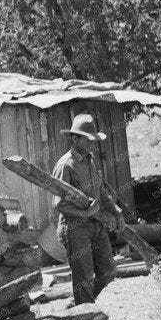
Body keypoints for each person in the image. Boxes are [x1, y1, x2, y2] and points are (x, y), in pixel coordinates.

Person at [51, 114, 119, 305]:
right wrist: (84, 213)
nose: (92, 144)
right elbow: (58, 204)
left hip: (96, 225)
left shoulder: (90, 161)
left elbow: (101, 191)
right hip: (74, 229)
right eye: (88, 139)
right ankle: (86, 316)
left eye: (93, 140)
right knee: (84, 278)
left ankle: (79, 306)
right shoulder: (65, 165)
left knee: (108, 270)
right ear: (74, 139)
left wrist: (116, 211)